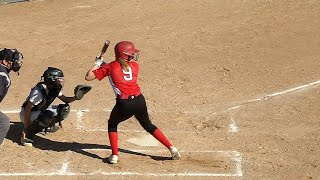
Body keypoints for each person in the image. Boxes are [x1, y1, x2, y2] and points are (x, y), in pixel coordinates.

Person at [85, 40, 181, 164]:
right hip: (140, 101)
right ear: (125, 55)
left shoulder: (110, 67)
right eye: (130, 54)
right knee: (148, 125)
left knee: (112, 124)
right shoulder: (135, 66)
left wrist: (97, 63)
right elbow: (117, 69)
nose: (133, 55)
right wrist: (103, 64)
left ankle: (114, 156)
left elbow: (89, 76)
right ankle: (171, 148)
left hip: (124, 104)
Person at [20, 67, 91, 147]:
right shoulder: (39, 91)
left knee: (64, 109)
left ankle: (47, 125)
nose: (61, 81)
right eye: (59, 79)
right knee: (47, 115)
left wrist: (76, 97)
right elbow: (27, 109)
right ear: (51, 79)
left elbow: (65, 100)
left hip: (39, 111)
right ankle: (27, 135)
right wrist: (25, 128)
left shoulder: (54, 88)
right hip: (27, 114)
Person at [0, 48, 24, 146]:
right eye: (13, 61)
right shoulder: (2, 76)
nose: (17, 63)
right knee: (4, 123)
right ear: (5, 62)